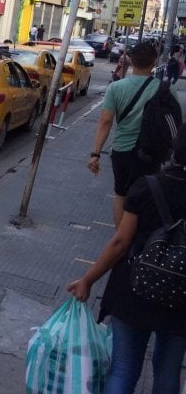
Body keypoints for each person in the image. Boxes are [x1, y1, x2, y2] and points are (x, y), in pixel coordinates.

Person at [68, 123, 186, 394]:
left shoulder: (148, 186)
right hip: (182, 299)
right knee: (168, 371)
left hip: (134, 288)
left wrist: (88, 279)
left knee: (123, 367)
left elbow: (120, 242)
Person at [88, 42, 179, 228]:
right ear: (154, 62)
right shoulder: (166, 89)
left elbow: (105, 122)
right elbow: (176, 121)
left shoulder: (116, 88)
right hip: (152, 153)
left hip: (122, 150)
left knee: (121, 194)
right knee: (147, 194)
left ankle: (121, 240)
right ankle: (138, 237)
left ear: (131, 60)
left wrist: (95, 154)